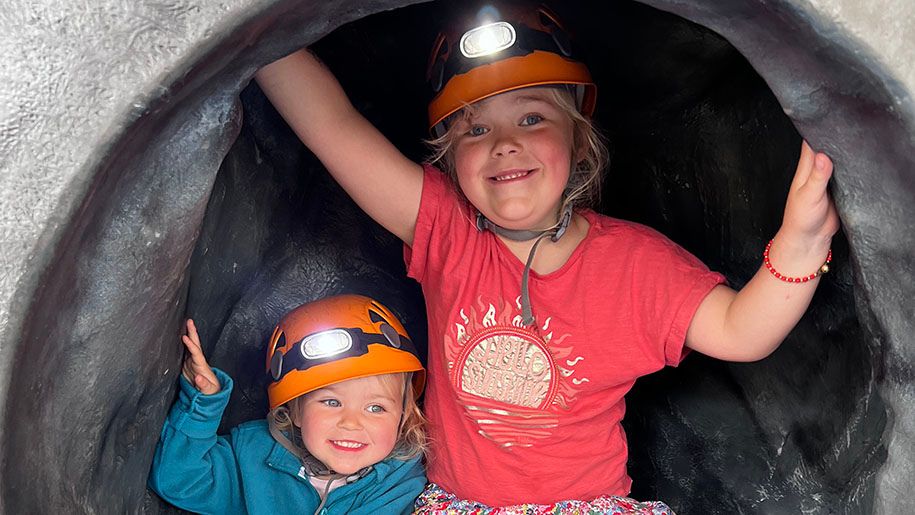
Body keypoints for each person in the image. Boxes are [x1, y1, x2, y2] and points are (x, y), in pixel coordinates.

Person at [254, 2, 840, 512]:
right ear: (450, 158)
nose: (504, 143)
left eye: (532, 118)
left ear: (578, 140)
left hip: (583, 508)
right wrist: (250, 32)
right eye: (475, 129)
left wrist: (801, 241)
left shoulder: (634, 265)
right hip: (460, 507)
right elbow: (331, 127)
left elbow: (742, 331)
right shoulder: (445, 229)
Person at [148, 294, 427, 515]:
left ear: (402, 418)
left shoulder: (402, 483)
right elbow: (179, 481)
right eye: (331, 401)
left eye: (376, 408)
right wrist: (203, 405)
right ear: (294, 410)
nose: (351, 422)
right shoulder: (256, 457)